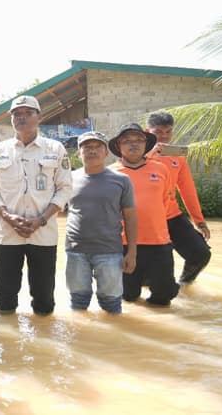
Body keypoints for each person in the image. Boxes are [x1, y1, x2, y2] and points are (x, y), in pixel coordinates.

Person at [0, 95, 72, 316]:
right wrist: (8, 217)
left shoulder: (55, 149)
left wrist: (41, 219)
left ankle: (44, 339)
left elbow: (65, 188)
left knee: (44, 296)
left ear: (39, 117)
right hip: (7, 233)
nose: (21, 118)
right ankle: (8, 341)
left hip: (43, 233)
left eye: (27, 113)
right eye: (16, 114)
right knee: (5, 294)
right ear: (12, 119)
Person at [65, 131, 137, 314]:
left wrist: (132, 252)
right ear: (78, 153)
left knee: (111, 304)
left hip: (110, 251)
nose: (92, 151)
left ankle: (113, 341)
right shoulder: (67, 179)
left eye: (98, 147)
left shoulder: (122, 180)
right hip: (76, 250)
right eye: (87, 147)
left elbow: (130, 217)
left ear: (106, 153)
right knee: (78, 303)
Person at [108, 123, 180, 306]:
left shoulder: (161, 169)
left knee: (164, 295)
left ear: (146, 143)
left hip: (158, 241)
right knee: (128, 297)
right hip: (123, 244)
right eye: (127, 141)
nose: (134, 144)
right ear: (118, 146)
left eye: (139, 139)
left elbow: (166, 201)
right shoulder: (109, 174)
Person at [146, 111, 212, 284]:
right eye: (158, 132)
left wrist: (199, 221)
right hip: (146, 220)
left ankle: (184, 286)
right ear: (148, 131)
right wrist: (152, 153)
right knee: (150, 271)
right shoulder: (137, 155)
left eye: (168, 132)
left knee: (201, 254)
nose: (164, 136)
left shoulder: (177, 157)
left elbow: (187, 189)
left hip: (172, 216)